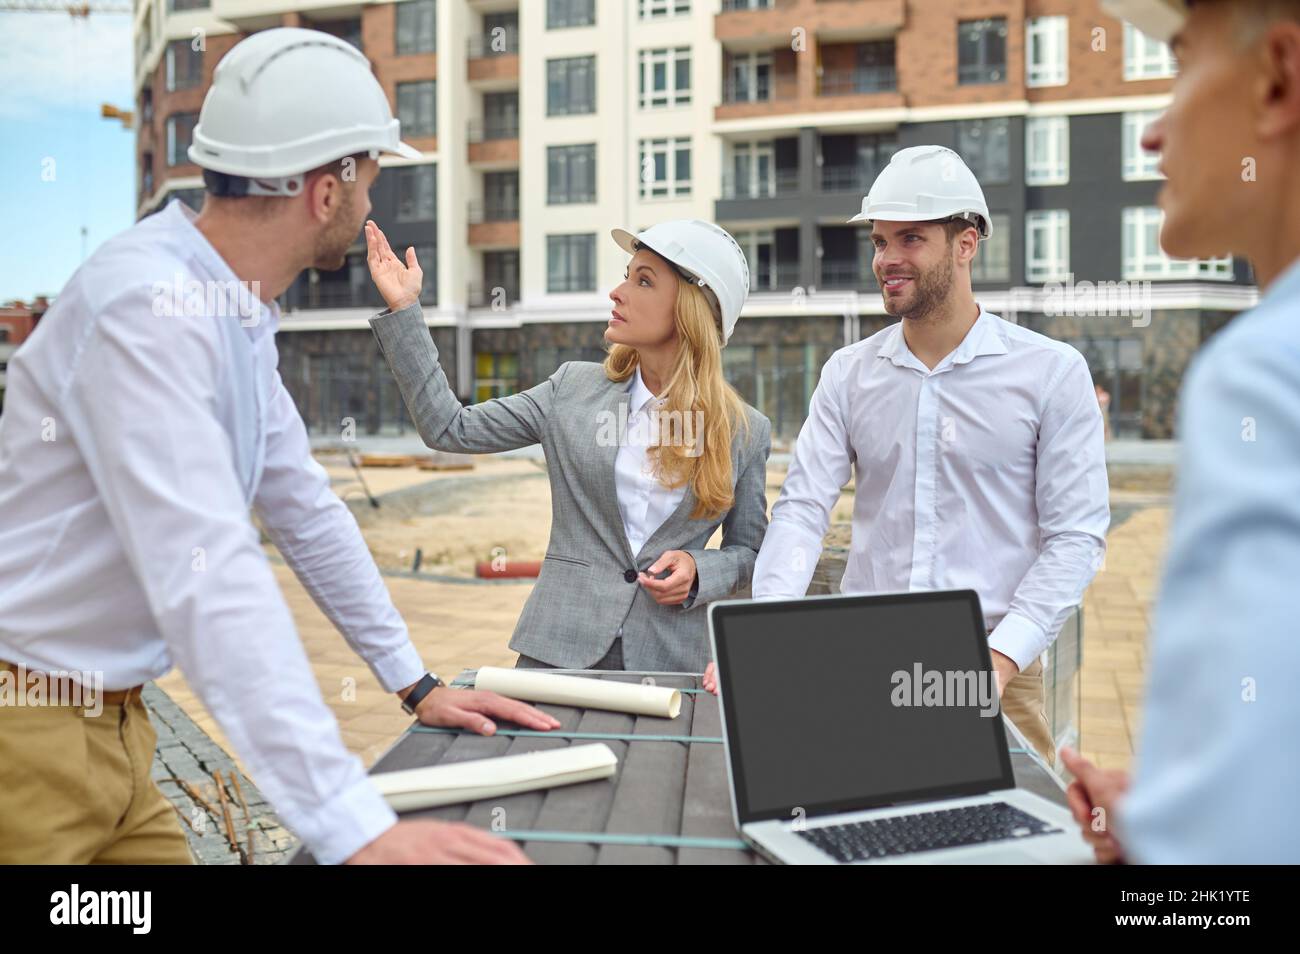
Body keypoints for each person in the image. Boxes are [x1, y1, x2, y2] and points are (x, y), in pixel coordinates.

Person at [0, 28, 558, 867]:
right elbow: (211, 574)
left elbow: (306, 513)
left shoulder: (234, 314)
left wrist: (415, 684)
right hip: (27, 737)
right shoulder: (147, 307)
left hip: (116, 730)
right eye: (367, 178)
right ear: (324, 191)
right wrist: (356, 829)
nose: (372, 203)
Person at [704, 146, 1111, 766]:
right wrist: (767, 631)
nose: (887, 260)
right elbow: (804, 509)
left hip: (996, 662)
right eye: (879, 241)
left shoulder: (1051, 374)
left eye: (911, 239)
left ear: (966, 243)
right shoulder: (849, 373)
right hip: (869, 656)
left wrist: (1001, 659)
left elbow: (1076, 537)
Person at [1064, 0, 1300, 863]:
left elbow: (1234, 862)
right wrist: (1178, 805)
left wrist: (1171, 858)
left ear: (1278, 78)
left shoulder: (1264, 373)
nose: (1154, 136)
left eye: (1180, 65)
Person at [363, 219, 770, 673]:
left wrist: (701, 570)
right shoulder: (569, 389)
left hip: (671, 661)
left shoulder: (745, 432)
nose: (617, 292)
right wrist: (405, 310)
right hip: (557, 649)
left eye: (644, 281)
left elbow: (751, 553)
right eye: (627, 274)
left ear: (690, 310)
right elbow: (449, 428)